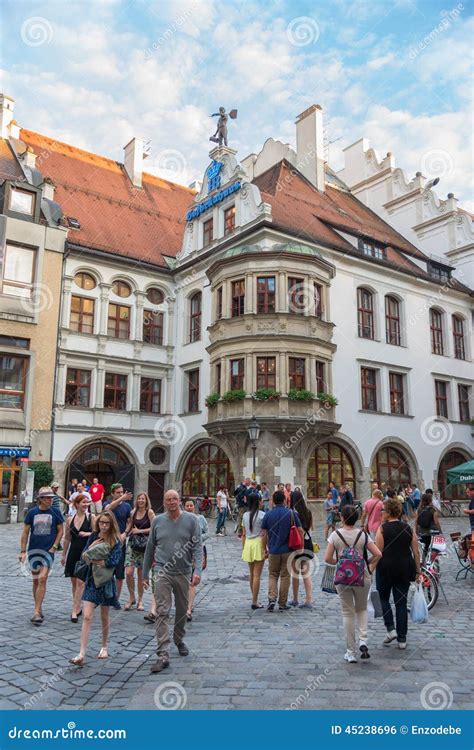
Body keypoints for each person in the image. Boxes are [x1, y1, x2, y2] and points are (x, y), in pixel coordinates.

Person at [143, 489, 203, 674]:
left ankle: (178, 638)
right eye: (168, 499)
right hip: (162, 570)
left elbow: (198, 546)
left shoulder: (192, 520)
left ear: (180, 501)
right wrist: (145, 573)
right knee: (162, 610)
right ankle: (163, 653)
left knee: (182, 610)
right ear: (164, 502)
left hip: (184, 571)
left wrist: (198, 570)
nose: (172, 502)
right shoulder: (158, 521)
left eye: (175, 499)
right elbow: (150, 548)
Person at [325, 505, 382, 663]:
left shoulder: (335, 535)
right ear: (356, 518)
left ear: (342, 518)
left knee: (347, 613)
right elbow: (378, 553)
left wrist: (341, 562)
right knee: (362, 608)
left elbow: (327, 558)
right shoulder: (363, 535)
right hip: (362, 576)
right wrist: (366, 563)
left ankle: (350, 652)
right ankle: (363, 639)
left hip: (343, 578)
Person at [69, 511, 122, 666]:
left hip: (105, 582)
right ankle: (81, 653)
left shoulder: (115, 541)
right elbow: (85, 555)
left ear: (111, 524)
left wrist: (97, 560)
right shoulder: (93, 537)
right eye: (101, 522)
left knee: (104, 616)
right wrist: (93, 547)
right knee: (86, 616)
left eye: (107, 523)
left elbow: (113, 561)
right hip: (91, 580)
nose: (104, 526)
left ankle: (104, 646)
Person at [375, 497, 421, 650]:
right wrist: (418, 570)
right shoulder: (408, 528)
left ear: (388, 512)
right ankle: (402, 639)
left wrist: (369, 568)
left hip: (385, 568)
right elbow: (415, 551)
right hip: (404, 568)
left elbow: (378, 552)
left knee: (382, 598)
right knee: (401, 603)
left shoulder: (382, 529)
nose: (381, 512)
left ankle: (390, 629)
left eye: (383, 510)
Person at [19, 487, 64, 626]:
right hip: (34, 550)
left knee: (42, 578)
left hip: (48, 550)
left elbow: (61, 530)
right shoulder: (32, 512)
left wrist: (55, 546)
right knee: (36, 581)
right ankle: (39, 606)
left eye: (52, 497)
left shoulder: (55, 512)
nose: (51, 500)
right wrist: (23, 551)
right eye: (48, 498)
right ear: (41, 499)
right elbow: (25, 532)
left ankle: (37, 611)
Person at [261, 490, 302, 611]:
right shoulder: (291, 513)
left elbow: (263, 534)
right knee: (285, 576)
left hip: (273, 550)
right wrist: (300, 547)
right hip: (288, 550)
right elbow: (300, 530)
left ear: (273, 501)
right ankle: (283, 603)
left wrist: (265, 549)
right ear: (285, 500)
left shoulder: (268, 515)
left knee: (273, 575)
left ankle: (272, 599)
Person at [61, 494, 95, 622]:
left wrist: (87, 533)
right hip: (73, 552)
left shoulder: (91, 517)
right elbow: (67, 538)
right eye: (83, 502)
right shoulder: (70, 520)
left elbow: (98, 534)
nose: (86, 505)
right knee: (74, 583)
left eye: (87, 502)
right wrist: (64, 555)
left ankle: (74, 610)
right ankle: (79, 605)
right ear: (76, 504)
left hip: (85, 553)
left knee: (81, 582)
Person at [124, 492, 155, 611]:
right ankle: (132, 597)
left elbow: (154, 528)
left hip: (145, 546)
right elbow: (130, 526)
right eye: (139, 498)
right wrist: (124, 534)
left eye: (143, 499)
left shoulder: (150, 512)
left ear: (146, 500)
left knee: (141, 574)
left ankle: (141, 600)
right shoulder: (133, 512)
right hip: (133, 545)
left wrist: (140, 531)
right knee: (128, 573)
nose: (141, 500)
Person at [103, 483, 133, 599]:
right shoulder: (107, 503)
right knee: (106, 570)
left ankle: (116, 598)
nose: (121, 494)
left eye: (122, 492)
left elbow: (130, 521)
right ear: (112, 494)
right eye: (118, 492)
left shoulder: (127, 506)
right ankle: (105, 595)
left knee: (120, 573)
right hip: (107, 541)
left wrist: (125, 533)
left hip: (120, 542)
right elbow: (107, 509)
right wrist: (122, 498)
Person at [184, 499, 208, 621]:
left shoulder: (201, 519)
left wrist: (198, 538)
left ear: (194, 507)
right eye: (187, 506)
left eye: (191, 505)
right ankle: (186, 604)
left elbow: (207, 533)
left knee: (192, 579)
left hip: (198, 551)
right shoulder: (181, 520)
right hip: (183, 553)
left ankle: (189, 607)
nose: (189, 507)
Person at [289, 490, 314, 609]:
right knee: (306, 573)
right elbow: (311, 529)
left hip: (296, 544)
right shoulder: (308, 512)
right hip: (308, 542)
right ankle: (309, 599)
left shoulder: (293, 513)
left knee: (295, 573)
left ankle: (295, 598)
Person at [241, 493, 266, 609]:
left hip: (248, 544)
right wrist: (266, 548)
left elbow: (244, 534)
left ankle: (254, 598)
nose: (262, 502)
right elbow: (265, 533)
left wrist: (243, 548)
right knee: (257, 575)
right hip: (258, 543)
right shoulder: (262, 515)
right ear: (257, 502)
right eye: (261, 500)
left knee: (252, 575)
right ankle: (254, 601)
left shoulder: (245, 515)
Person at [416, 492, 442, 560]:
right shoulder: (433, 510)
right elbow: (436, 522)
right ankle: (431, 563)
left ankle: (424, 562)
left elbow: (416, 522)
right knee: (433, 548)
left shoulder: (419, 509)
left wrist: (416, 532)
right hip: (431, 532)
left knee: (424, 548)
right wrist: (440, 532)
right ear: (430, 500)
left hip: (421, 531)